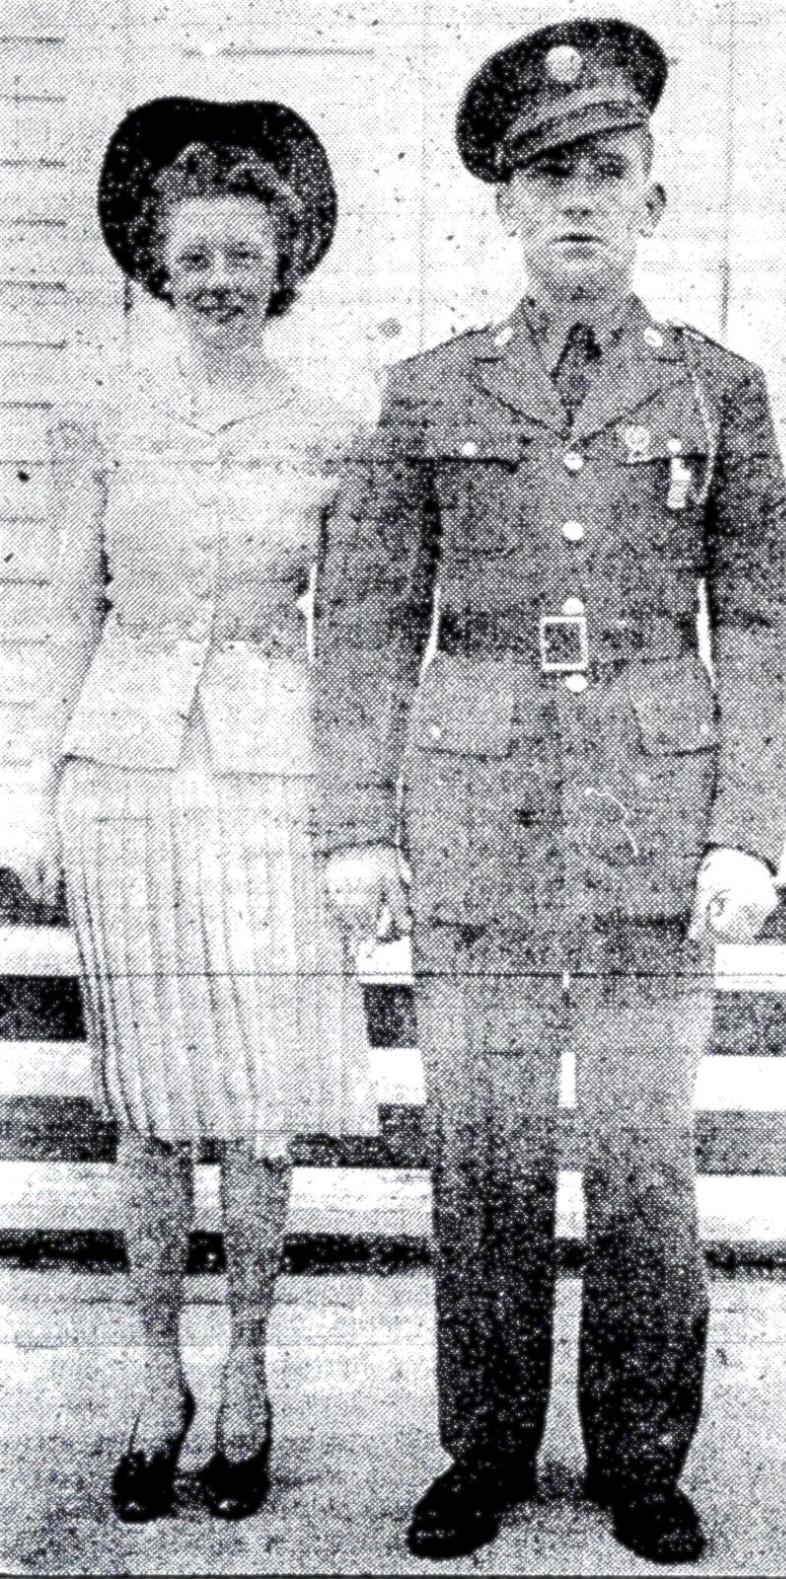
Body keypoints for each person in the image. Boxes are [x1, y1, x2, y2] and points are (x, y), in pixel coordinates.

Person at [321, 15, 786, 1565]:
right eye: (544, 182)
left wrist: (746, 830)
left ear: (654, 195)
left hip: (656, 828)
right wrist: (355, 825)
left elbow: (770, 620)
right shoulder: (428, 390)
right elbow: (371, 622)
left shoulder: (718, 391)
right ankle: (483, 1449)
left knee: (649, 1163)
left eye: (605, 171)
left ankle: (645, 1459)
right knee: (484, 1152)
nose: (576, 203)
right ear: (506, 212)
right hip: (475, 819)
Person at [14, 97, 378, 1523]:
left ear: (283, 267)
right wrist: (28, 794)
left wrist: (358, 818)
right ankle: (153, 1377)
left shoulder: (334, 432)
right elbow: (59, 621)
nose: (221, 279)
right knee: (153, 1109)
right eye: (197, 255)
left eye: (246, 254)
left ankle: (250, 1374)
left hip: (272, 789)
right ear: (157, 268)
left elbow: (348, 646)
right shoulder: (100, 420)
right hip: (128, 789)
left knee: (262, 1107)